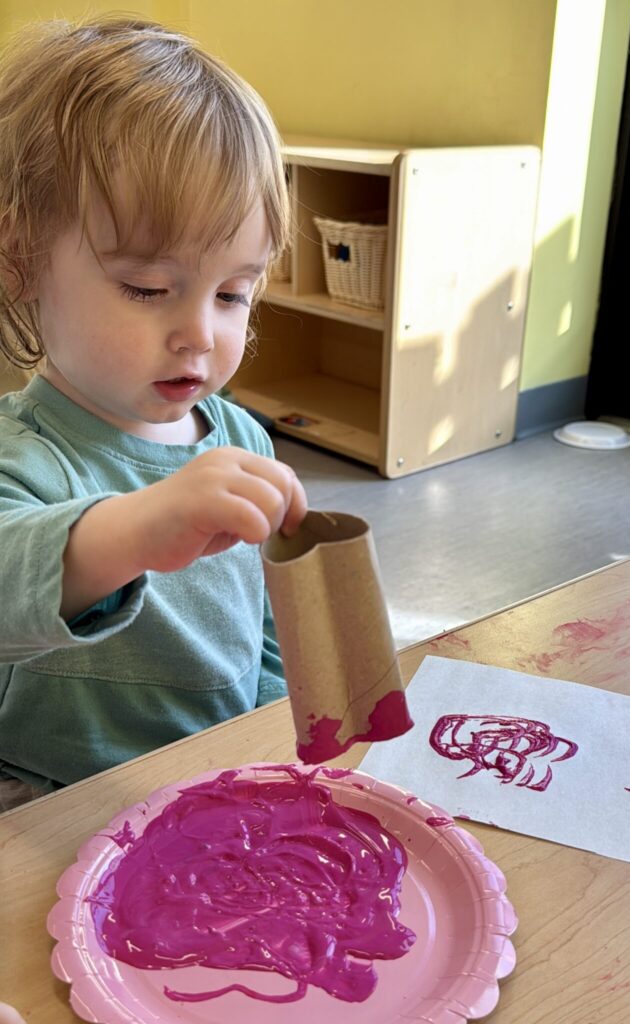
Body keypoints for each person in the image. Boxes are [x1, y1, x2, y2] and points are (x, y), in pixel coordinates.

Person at [0, 16, 307, 813]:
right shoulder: (22, 453)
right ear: (21, 261)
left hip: (214, 792)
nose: (200, 334)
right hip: (50, 805)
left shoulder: (240, 440)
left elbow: (269, 626)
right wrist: (135, 529)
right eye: (146, 287)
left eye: (233, 293)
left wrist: (275, 734)